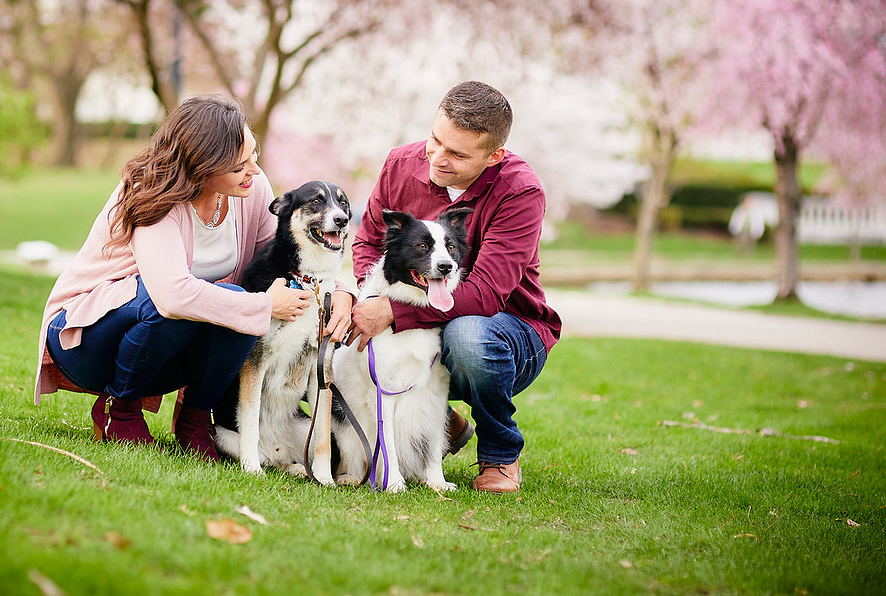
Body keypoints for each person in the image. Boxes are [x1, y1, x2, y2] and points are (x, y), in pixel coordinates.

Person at [33, 94, 347, 460]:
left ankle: (195, 418)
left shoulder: (251, 188)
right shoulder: (151, 194)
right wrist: (262, 303)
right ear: (202, 164)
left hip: (163, 347)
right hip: (88, 339)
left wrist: (342, 291)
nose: (253, 170)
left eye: (254, 155)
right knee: (191, 303)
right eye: (238, 165)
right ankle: (120, 410)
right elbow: (172, 295)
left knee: (234, 299)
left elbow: (280, 260)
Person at [343, 81, 561, 493]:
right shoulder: (399, 164)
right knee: (348, 342)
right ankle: (436, 423)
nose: (438, 159)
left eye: (457, 154)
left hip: (507, 329)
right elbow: (369, 240)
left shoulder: (520, 191)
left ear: (494, 155)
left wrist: (392, 312)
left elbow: (484, 293)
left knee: (467, 337)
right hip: (423, 315)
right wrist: (367, 297)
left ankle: (500, 456)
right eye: (435, 140)